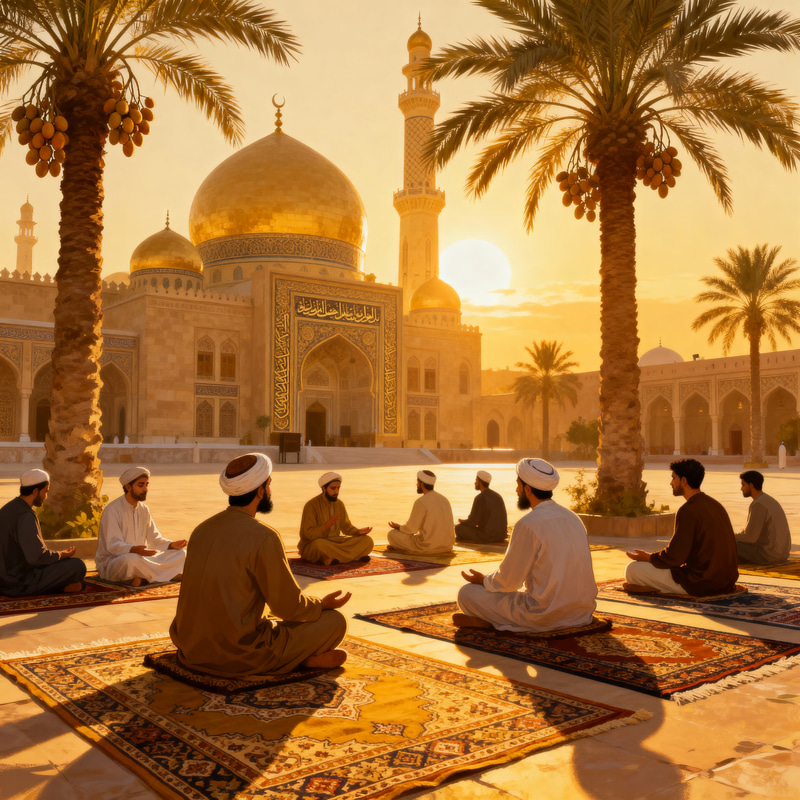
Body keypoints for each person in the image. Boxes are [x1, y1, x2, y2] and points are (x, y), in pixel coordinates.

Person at [170, 453, 351, 675]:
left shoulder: (201, 530)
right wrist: (321, 605)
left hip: (191, 648)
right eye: (269, 485)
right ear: (260, 491)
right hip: (240, 653)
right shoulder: (264, 536)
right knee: (334, 621)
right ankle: (297, 659)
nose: (270, 491)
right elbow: (287, 607)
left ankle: (297, 657)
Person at [455, 458, 597, 632]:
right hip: (580, 614)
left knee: (467, 593)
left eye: (518, 485)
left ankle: (492, 621)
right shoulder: (573, 518)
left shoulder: (528, 524)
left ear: (527, 489)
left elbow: (508, 582)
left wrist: (483, 580)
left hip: (542, 615)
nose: (516, 490)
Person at [625, 458, 738, 596]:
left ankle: (655, 588)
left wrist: (649, 558)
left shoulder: (688, 510)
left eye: (674, 478)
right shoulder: (716, 505)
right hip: (726, 581)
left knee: (633, 569)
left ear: (683, 481)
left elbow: (675, 557)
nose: (671, 483)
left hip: (701, 582)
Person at [0, 469, 86, 597]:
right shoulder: (26, 515)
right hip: (19, 583)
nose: (46, 496)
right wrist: (62, 555)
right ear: (35, 491)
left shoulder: (7, 508)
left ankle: (61, 586)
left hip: (3, 580)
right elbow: (36, 557)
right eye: (45, 491)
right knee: (77, 566)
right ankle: (61, 586)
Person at [96, 467, 186, 586]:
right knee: (131, 560)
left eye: (146, 485)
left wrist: (171, 545)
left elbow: (154, 539)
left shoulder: (144, 509)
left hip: (142, 557)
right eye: (141, 485)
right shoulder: (112, 510)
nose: (145, 489)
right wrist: (133, 549)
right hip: (114, 561)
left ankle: (144, 577)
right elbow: (113, 546)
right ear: (128, 487)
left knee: (180, 554)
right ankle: (166, 575)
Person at [299, 472, 373, 565]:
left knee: (367, 541)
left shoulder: (339, 504)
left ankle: (334, 557)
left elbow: (346, 527)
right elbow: (307, 534)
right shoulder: (311, 505)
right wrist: (326, 525)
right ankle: (351, 556)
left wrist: (358, 532)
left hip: (337, 542)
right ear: (323, 488)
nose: (336, 492)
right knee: (318, 546)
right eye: (333, 488)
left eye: (338, 488)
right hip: (319, 542)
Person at [387, 470, 454, 555]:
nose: (416, 484)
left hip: (427, 547)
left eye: (417, 482)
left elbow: (411, 529)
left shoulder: (421, 502)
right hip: (447, 546)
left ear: (422, 484)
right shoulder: (444, 499)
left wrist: (399, 527)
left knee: (392, 534)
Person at [735, 470, 791, 565]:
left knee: (728, 544)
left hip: (768, 555)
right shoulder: (767, 500)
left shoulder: (758, 505)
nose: (741, 488)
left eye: (743, 485)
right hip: (781, 553)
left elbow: (750, 538)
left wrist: (730, 535)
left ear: (751, 485)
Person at [455, 469, 508, 544]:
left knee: (458, 528)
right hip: (501, 536)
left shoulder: (480, 498)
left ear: (480, 482)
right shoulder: (498, 496)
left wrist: (462, 522)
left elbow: (472, 522)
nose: (475, 482)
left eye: (476, 480)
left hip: (487, 536)